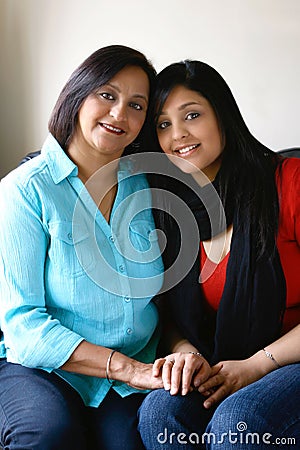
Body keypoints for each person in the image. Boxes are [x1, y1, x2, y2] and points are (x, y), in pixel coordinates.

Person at [0, 45, 165, 450]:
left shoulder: (146, 185)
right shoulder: (25, 190)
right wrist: (126, 369)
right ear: (78, 94)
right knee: (49, 435)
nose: (119, 115)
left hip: (134, 369)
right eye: (107, 95)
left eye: (137, 105)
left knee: (140, 440)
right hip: (45, 367)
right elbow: (22, 325)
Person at [138, 60, 300, 449]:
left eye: (192, 115)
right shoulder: (167, 208)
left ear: (223, 116)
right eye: (163, 124)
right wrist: (186, 354)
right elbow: (168, 313)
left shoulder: (288, 181)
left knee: (238, 421)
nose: (178, 135)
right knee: (161, 411)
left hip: (288, 358)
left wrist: (257, 365)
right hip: (220, 362)